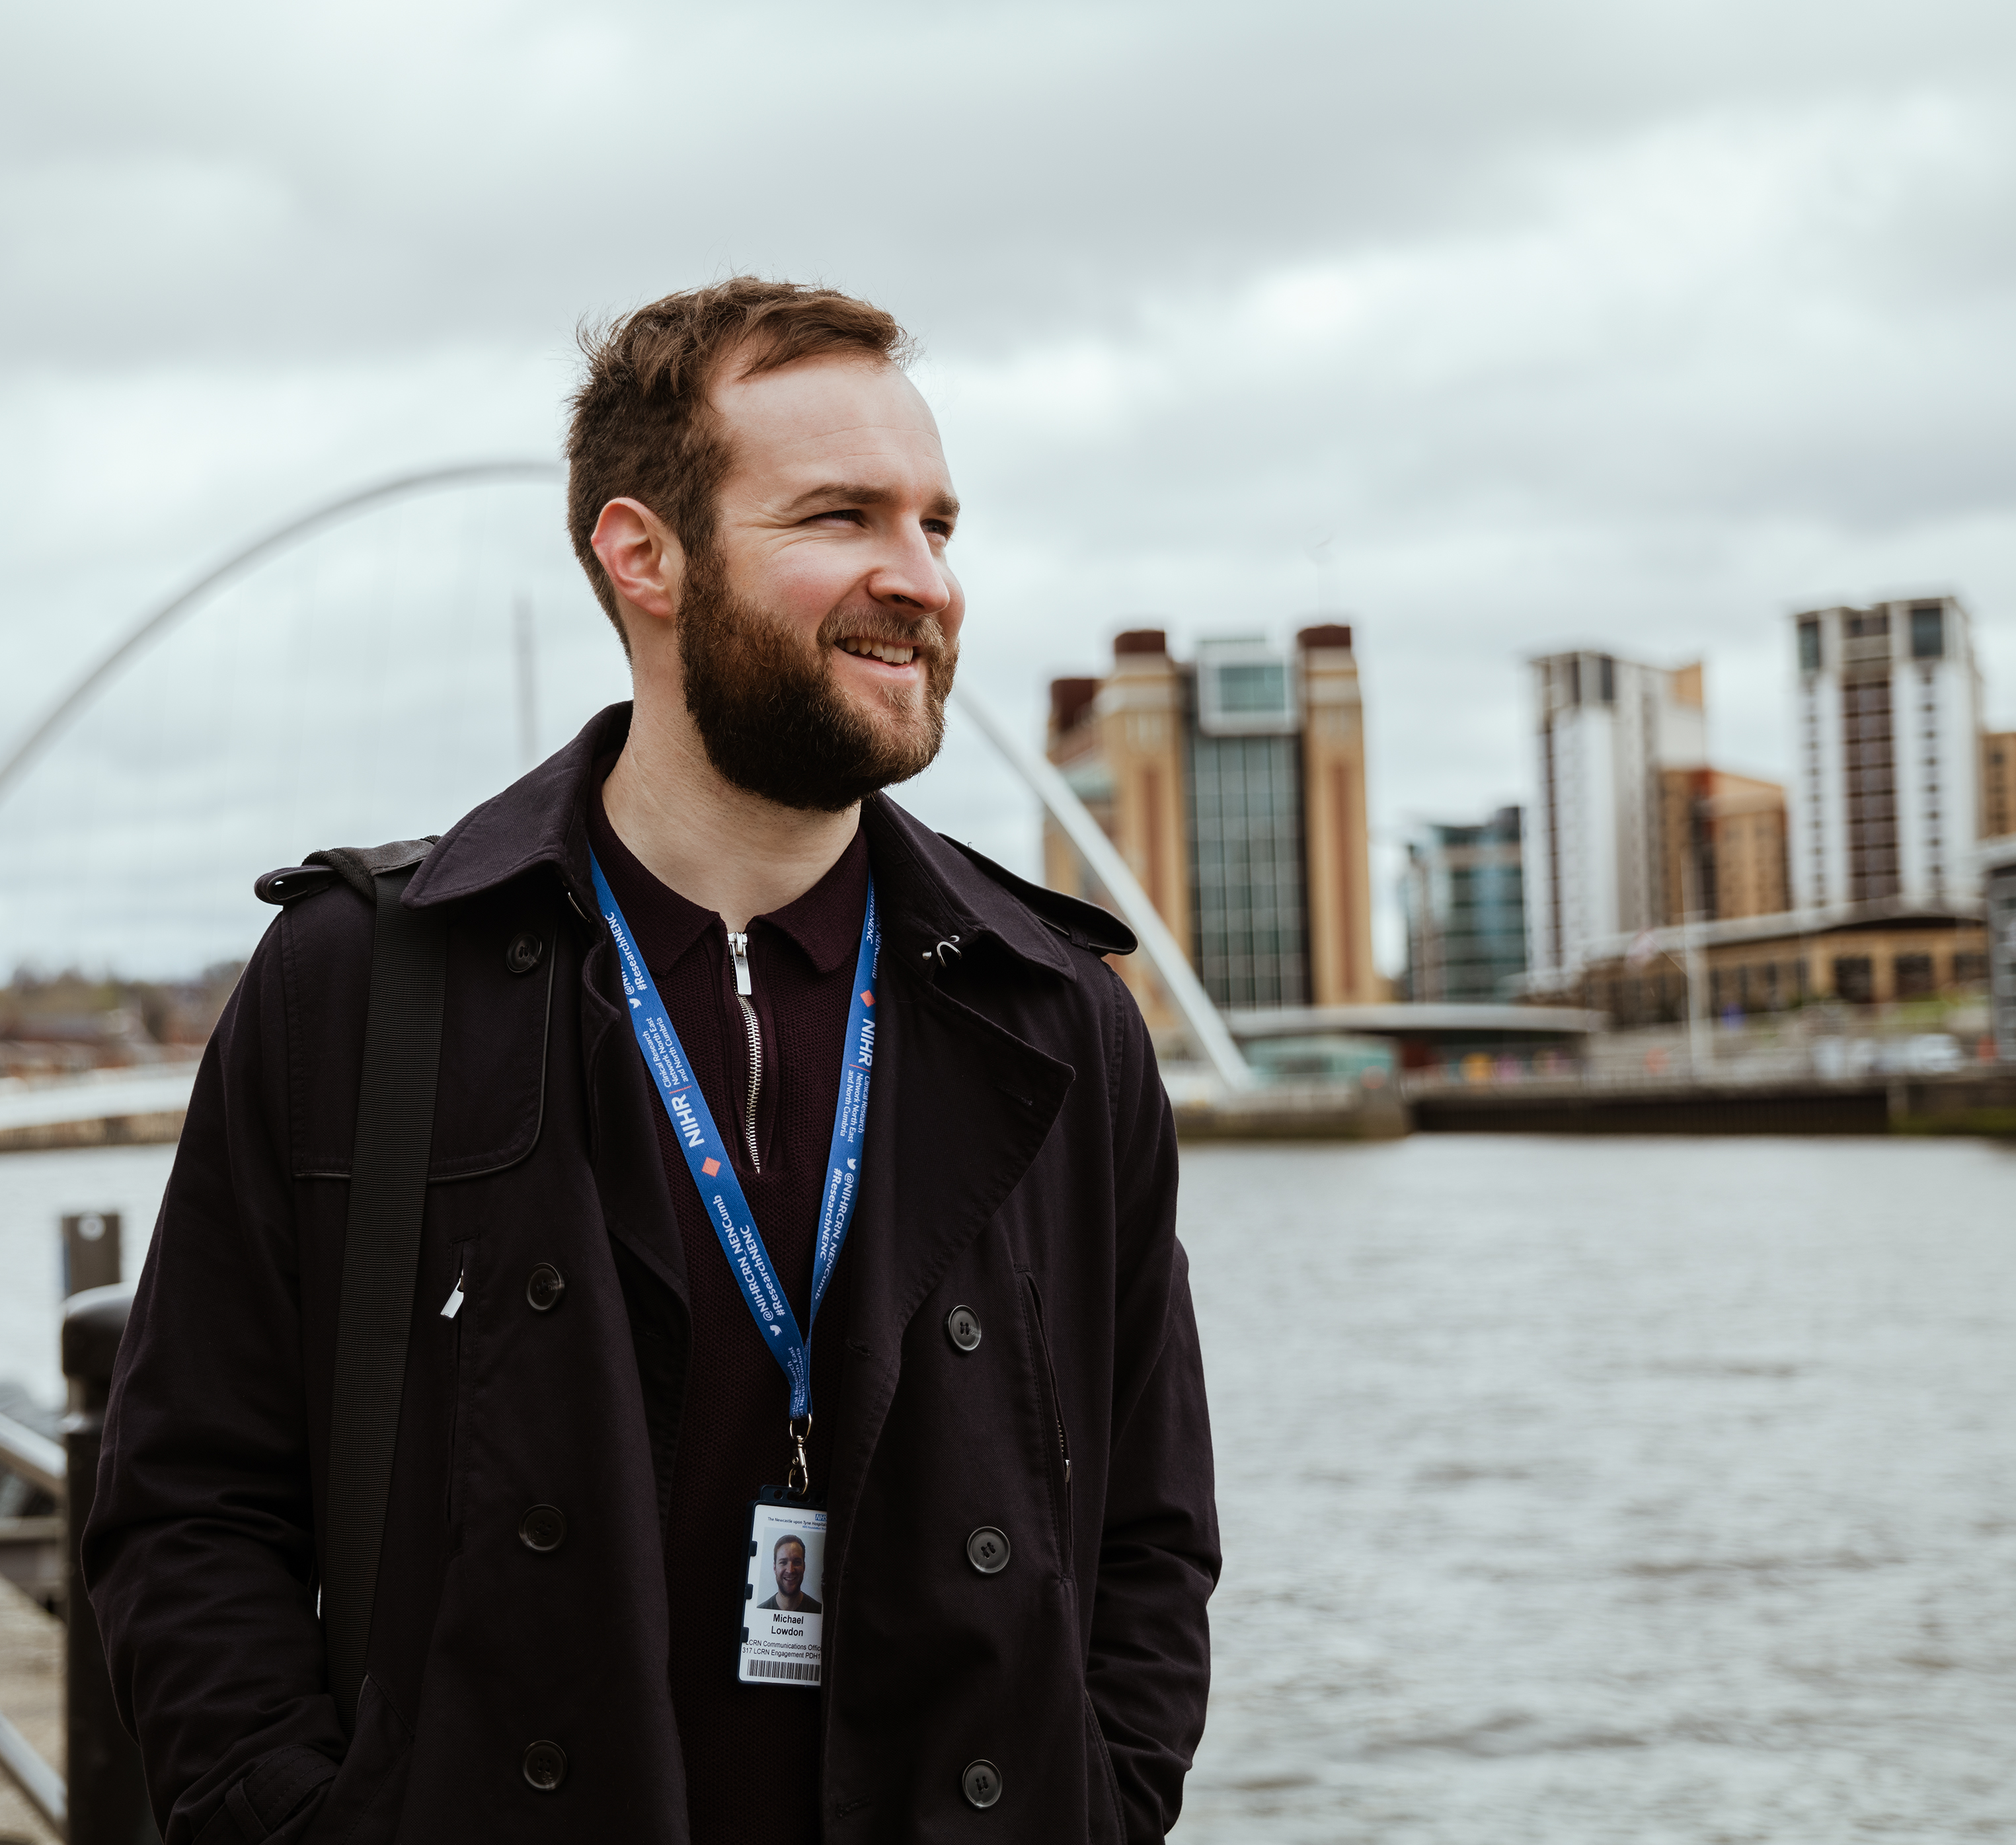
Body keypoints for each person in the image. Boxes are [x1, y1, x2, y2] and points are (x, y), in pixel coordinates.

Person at [85, 278, 1218, 1845]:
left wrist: (1103, 1794)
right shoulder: (363, 983)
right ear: (643, 556)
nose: (920, 581)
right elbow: (189, 1503)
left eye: (938, 525)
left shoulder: (1053, 1010)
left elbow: (1150, 1527)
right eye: (839, 517)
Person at [756, 1534, 821, 1614]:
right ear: (775, 1568)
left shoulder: (819, 1611)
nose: (790, 1570)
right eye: (783, 1562)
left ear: (804, 1567)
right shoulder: (761, 1612)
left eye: (797, 1562)